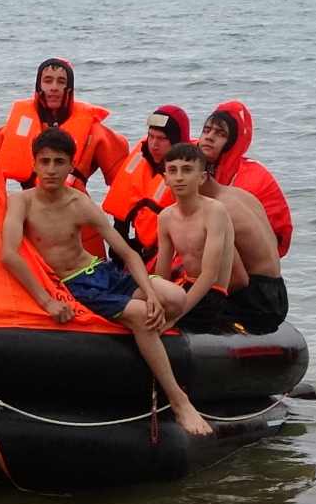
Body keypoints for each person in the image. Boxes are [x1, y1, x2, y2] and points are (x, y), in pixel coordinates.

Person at [0, 128, 212, 436]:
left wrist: (151, 292)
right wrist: (47, 302)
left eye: (59, 162)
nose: (51, 169)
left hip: (101, 271)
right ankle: (179, 401)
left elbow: (126, 252)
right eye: (44, 161)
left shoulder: (79, 203)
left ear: (71, 166)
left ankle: (145, 336)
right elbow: (9, 254)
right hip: (73, 284)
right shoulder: (22, 202)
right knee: (141, 316)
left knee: (175, 297)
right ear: (33, 164)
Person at [0, 58, 129, 188]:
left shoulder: (95, 133)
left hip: (75, 208)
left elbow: (123, 184)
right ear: (38, 86)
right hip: (31, 207)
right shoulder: (7, 133)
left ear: (69, 88)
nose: (54, 87)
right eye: (48, 80)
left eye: (61, 81)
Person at [152, 143, 238, 335]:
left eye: (187, 170)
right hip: (182, 288)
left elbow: (210, 275)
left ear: (202, 178)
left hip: (211, 294)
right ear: (165, 178)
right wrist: (156, 303)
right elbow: (161, 274)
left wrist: (176, 315)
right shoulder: (165, 217)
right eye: (173, 171)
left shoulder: (214, 211)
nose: (179, 177)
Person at [200, 150, 287, 334]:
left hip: (256, 303)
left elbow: (238, 279)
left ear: (202, 176)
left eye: (185, 174)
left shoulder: (217, 210)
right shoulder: (241, 194)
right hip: (278, 293)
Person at [198, 102, 293, 257]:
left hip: (243, 264)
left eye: (220, 134)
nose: (209, 137)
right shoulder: (183, 165)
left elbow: (279, 238)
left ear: (233, 141)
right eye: (206, 130)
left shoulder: (258, 178)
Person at [102, 105, 190, 264]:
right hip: (139, 250)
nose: (154, 144)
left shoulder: (191, 174)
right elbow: (120, 219)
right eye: (151, 136)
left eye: (162, 138)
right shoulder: (139, 161)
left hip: (174, 252)